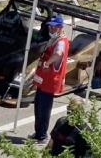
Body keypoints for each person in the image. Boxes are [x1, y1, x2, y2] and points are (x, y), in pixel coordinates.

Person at [30, 14, 70, 143]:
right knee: (38, 107)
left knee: (43, 109)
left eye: (54, 28)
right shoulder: (53, 39)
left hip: (50, 82)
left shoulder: (61, 42)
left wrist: (48, 62)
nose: (51, 30)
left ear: (60, 28)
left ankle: (42, 135)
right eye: (50, 27)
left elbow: (58, 54)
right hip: (43, 80)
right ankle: (38, 133)